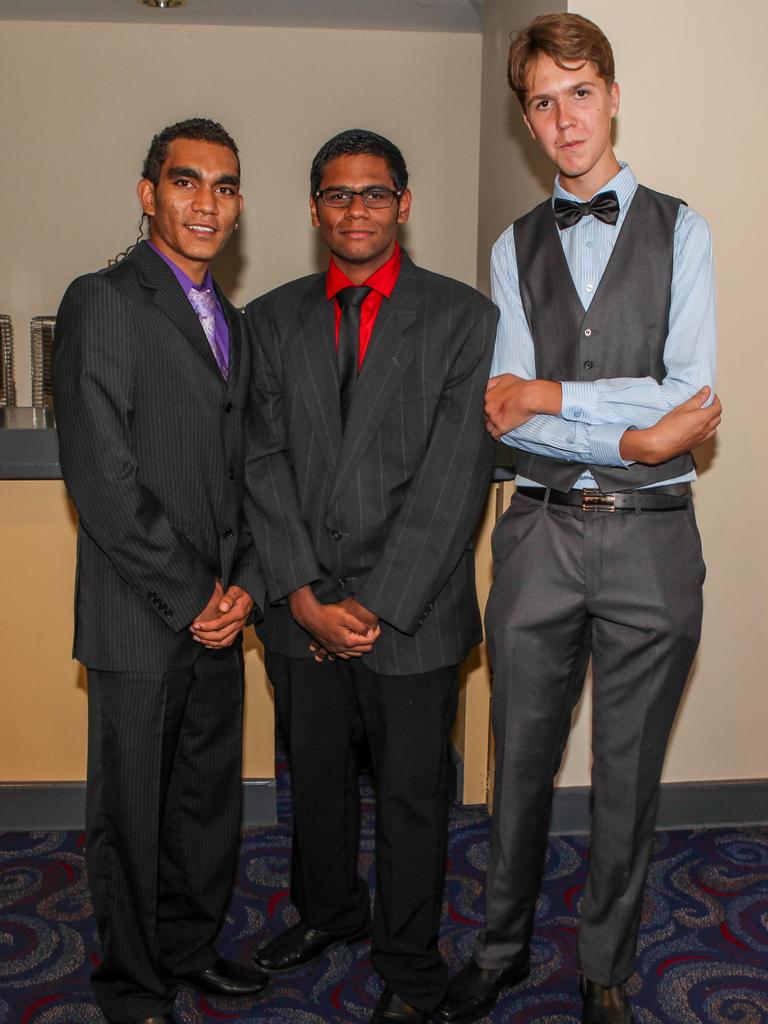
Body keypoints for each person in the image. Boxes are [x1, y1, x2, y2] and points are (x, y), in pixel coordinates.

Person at [432, 14, 721, 1024]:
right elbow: (505, 411)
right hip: (539, 535)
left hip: (654, 538)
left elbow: (692, 392)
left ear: (612, 92)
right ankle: (501, 945)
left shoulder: (686, 229)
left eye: (580, 91)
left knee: (628, 771)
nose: (565, 120)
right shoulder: (515, 247)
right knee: (518, 757)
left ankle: (605, 963)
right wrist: (632, 429)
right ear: (526, 118)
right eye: (542, 102)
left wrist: (562, 403)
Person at [243, 129, 498, 1023]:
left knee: (412, 794)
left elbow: (455, 477)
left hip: (413, 611)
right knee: (311, 779)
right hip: (301, 604)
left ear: (405, 204)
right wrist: (306, 595)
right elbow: (261, 463)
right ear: (315, 208)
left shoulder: (466, 319)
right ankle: (326, 912)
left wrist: (377, 604)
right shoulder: (269, 320)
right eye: (340, 195)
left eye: (375, 193)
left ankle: (405, 955)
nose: (358, 210)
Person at [52, 118, 268, 1024]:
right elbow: (102, 480)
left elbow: (252, 465)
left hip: (222, 610)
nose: (205, 203)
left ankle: (189, 947)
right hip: (144, 617)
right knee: (132, 812)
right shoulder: (102, 300)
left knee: (205, 804)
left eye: (223, 186)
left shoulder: (238, 323)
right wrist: (192, 597)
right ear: (150, 194)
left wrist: (246, 584)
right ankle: (134, 983)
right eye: (186, 183)